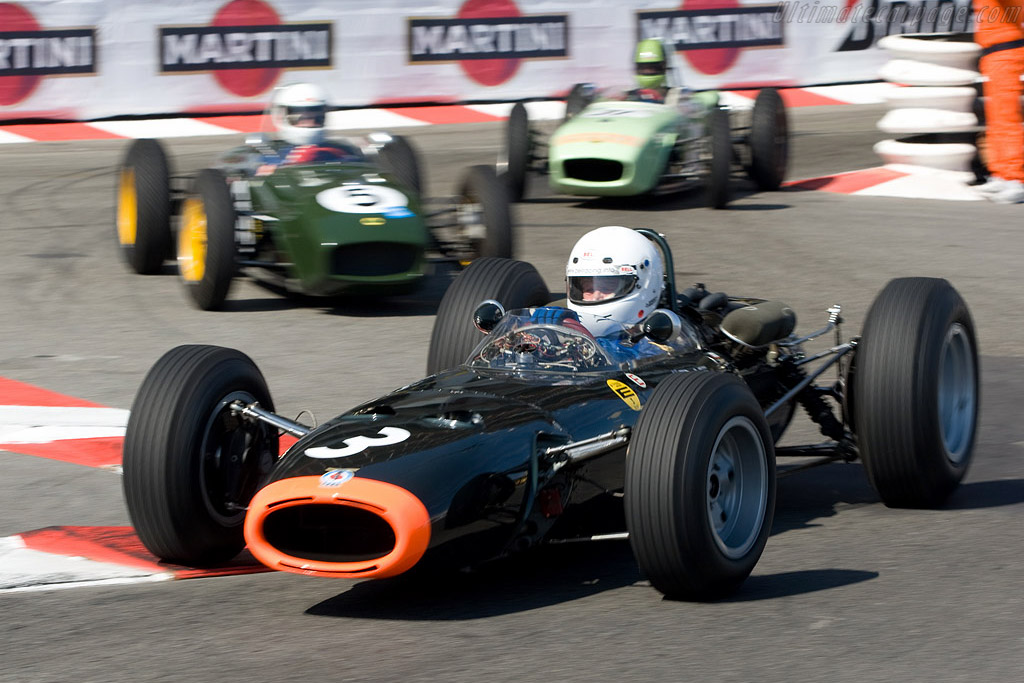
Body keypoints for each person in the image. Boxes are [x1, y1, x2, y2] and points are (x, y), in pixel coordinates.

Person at [973, 0, 1024, 204]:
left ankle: (1016, 179)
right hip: (994, 53)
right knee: (996, 120)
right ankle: (1002, 174)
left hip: (1005, 52)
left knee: (1007, 119)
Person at [626, 39, 669, 103]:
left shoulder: (673, 95)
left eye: (653, 68)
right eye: (644, 68)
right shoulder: (630, 97)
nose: (648, 71)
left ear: (663, 68)